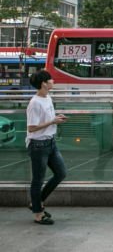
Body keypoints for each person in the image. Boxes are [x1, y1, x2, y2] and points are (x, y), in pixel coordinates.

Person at [26, 70, 67, 225]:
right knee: (38, 180)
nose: (53, 81)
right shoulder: (34, 103)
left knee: (61, 173)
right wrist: (52, 122)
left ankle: (36, 202)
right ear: (44, 83)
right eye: (50, 79)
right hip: (38, 145)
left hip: (50, 142)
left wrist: (56, 119)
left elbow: (48, 119)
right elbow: (31, 128)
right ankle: (38, 213)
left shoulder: (48, 97)